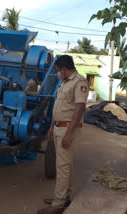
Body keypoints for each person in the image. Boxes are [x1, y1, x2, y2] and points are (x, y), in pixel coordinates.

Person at [38, 55, 89, 214]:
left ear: (65, 69)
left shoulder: (79, 82)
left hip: (69, 129)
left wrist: (68, 134)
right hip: (59, 126)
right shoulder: (64, 82)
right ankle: (65, 197)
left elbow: (80, 108)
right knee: (66, 165)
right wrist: (52, 126)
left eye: (58, 71)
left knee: (62, 167)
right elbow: (59, 107)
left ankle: (58, 205)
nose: (58, 73)